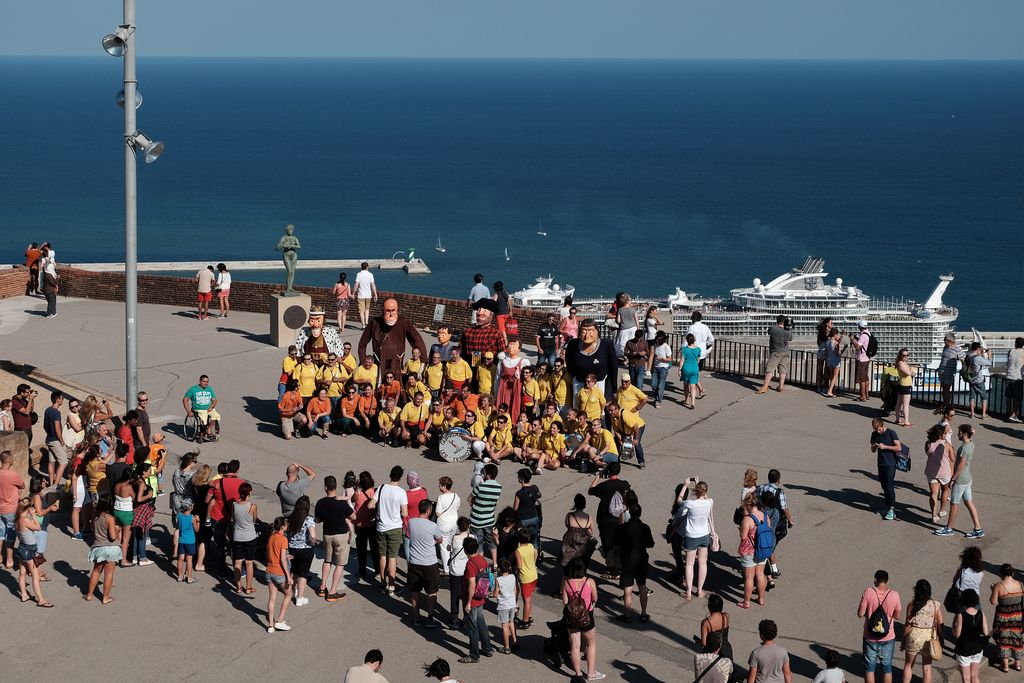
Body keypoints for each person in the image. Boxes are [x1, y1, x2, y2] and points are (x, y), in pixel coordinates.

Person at [358, 298, 428, 383]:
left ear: (397, 310)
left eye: (393, 311)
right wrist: (363, 362)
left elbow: (417, 340)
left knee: (396, 385)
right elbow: (362, 344)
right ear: (383, 310)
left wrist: (422, 362)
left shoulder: (403, 322)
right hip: (379, 362)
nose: (391, 314)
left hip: (396, 363)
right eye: (388, 311)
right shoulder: (375, 322)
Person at [935, 424, 983, 538]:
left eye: (960, 432)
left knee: (954, 504)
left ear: (965, 434)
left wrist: (953, 479)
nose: (958, 434)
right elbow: (971, 433)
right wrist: (971, 431)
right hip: (968, 478)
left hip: (960, 480)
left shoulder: (965, 448)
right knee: (968, 502)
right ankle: (978, 528)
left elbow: (960, 466)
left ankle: (949, 528)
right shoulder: (971, 443)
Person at [562, 557, 605, 680]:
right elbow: (595, 598)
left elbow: (565, 602)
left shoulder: (567, 582)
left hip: (571, 617)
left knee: (575, 646)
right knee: (591, 644)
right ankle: (591, 673)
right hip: (587, 616)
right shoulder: (590, 581)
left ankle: (578, 674)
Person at [858, 569, 902, 683]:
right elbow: (897, 616)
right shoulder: (894, 595)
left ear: (875, 580)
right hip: (888, 636)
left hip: (870, 636)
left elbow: (860, 614)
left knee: (869, 668)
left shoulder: (868, 592)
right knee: (887, 668)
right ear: (887, 581)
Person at [369, 465, 408, 595]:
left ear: (390, 475)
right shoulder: (401, 492)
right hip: (395, 527)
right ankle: (391, 586)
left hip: (381, 527)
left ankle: (382, 581)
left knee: (382, 555)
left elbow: (370, 505)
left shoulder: (381, 488)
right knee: (392, 557)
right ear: (400, 477)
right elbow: (405, 513)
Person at [588, 462, 629, 580]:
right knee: (619, 544)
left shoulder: (604, 486)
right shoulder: (625, 485)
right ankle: (618, 566)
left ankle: (614, 571)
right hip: (620, 519)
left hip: (606, 520)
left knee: (608, 546)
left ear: (608, 472)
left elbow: (591, 490)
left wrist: (598, 476)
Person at [674, 479, 715, 600]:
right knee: (702, 563)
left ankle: (688, 592)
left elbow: (679, 500)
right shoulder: (709, 502)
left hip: (692, 536)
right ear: (705, 491)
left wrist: (686, 485)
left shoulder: (690, 503)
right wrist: (699, 483)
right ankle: (700, 591)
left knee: (689, 565)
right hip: (704, 535)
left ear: (695, 492)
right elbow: (706, 496)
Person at [614, 503, 654, 623]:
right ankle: (643, 613)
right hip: (641, 559)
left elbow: (615, 542)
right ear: (640, 513)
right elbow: (650, 544)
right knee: (642, 586)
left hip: (627, 560)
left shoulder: (623, 528)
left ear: (629, 513)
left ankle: (627, 615)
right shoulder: (645, 527)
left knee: (627, 589)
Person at [459, 536, 495, 663]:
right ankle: (487, 648)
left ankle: (474, 655)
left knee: (473, 628)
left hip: (473, 600)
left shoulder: (470, 564)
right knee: (481, 624)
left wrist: (468, 602)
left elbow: (472, 585)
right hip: (481, 596)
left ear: (465, 550)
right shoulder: (482, 559)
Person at [564, 319, 619, 401]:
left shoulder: (606, 345)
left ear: (597, 331)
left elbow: (614, 367)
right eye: (584, 331)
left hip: (600, 383)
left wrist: (614, 389)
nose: (587, 335)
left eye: (590, 331)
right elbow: (569, 362)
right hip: (579, 383)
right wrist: (575, 377)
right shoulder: (573, 344)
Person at [901, 579, 942, 683]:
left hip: (914, 636)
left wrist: (903, 638)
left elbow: (907, 624)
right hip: (928, 637)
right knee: (927, 667)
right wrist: (941, 637)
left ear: (916, 591)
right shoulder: (934, 605)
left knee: (908, 665)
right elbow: (940, 622)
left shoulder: (911, 605)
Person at [15, 496, 50, 606]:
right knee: (35, 577)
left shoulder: (17, 519)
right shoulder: (25, 520)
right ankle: (41, 600)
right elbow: (38, 528)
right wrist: (34, 516)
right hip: (29, 550)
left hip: (21, 548)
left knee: (22, 574)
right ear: (28, 508)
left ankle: (24, 595)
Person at [84, 498, 121, 604]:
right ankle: (105, 597)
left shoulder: (95, 517)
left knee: (96, 571)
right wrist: (117, 530)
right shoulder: (110, 518)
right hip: (110, 548)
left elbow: (93, 530)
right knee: (109, 573)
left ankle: (89, 595)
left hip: (98, 547)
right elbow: (113, 537)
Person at [738, 492, 770, 609]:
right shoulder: (765, 516)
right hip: (763, 549)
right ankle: (760, 599)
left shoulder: (747, 520)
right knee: (760, 574)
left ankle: (746, 602)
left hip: (749, 550)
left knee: (749, 577)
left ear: (748, 504)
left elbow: (743, 536)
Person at [989, 563, 1024, 673]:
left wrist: (992, 589)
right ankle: (1017, 664)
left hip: (1003, 617)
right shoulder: (1021, 584)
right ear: (1013, 573)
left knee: (1004, 639)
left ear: (1001, 574)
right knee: (1017, 638)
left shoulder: (999, 586)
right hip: (1018, 616)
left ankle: (1005, 666)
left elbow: (993, 601)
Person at [468, 463, 501, 567]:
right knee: (491, 543)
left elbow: (469, 498)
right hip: (489, 520)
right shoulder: (499, 488)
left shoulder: (480, 486)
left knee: (479, 544)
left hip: (476, 521)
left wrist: (475, 501)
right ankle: (495, 564)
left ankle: (482, 565)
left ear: (488, 474)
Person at [952, 589, 989, 683]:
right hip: (977, 648)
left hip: (964, 649)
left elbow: (957, 634)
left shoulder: (961, 615)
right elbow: (985, 632)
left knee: (966, 678)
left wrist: (953, 624)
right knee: (975, 676)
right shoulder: (981, 613)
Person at [869, 419, 903, 521]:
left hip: (890, 463)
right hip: (881, 463)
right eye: (875, 429)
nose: (877, 431)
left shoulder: (891, 433)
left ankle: (892, 509)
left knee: (889, 485)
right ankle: (889, 507)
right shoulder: (874, 434)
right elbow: (872, 450)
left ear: (883, 425)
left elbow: (899, 447)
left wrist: (885, 447)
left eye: (879, 429)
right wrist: (874, 447)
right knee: (884, 485)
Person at [265, 516, 294, 633]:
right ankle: (280, 621)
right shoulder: (283, 539)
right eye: (286, 524)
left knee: (272, 598)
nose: (287, 525)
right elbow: (282, 560)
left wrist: (286, 556)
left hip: (269, 571)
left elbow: (270, 554)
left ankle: (270, 625)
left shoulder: (271, 537)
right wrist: (288, 576)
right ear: (282, 526)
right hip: (279, 572)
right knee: (288, 594)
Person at [0, 450, 27, 570]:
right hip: (11, 508)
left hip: (0, 508)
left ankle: (0, 557)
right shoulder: (13, 475)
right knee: (10, 535)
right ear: (10, 461)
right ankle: (10, 561)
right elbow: (22, 485)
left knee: (0, 534)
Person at [231, 483, 259, 595]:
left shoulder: (234, 505)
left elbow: (233, 519)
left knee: (237, 562)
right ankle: (248, 587)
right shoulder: (252, 506)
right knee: (249, 563)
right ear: (249, 493)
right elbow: (254, 519)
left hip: (237, 536)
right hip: (250, 536)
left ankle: (238, 587)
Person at [923, 424, 953, 525]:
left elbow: (927, 453)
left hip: (931, 471)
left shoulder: (928, 444)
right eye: (944, 433)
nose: (945, 435)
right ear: (940, 435)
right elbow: (953, 458)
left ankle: (934, 515)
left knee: (933, 493)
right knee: (945, 490)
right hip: (944, 471)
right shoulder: (947, 445)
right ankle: (942, 510)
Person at [756, 316, 793, 394]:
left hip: (776, 352)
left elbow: (768, 332)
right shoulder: (789, 329)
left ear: (777, 321)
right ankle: (781, 386)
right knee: (783, 369)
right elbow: (791, 338)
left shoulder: (773, 328)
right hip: (786, 352)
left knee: (769, 369)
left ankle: (765, 387)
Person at [352, 472, 378, 583]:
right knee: (374, 549)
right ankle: (377, 569)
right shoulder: (374, 492)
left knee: (361, 549)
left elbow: (352, 499)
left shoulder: (358, 493)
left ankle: (362, 571)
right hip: (372, 524)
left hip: (360, 525)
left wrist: (357, 487)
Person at [561, 494, 596, 572]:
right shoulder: (588, 517)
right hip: (583, 541)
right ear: (584, 504)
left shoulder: (569, 515)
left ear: (575, 503)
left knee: (569, 559)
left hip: (570, 539)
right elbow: (591, 531)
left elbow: (567, 526)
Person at [513, 526, 538, 629]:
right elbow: (534, 556)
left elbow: (519, 566)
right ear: (528, 538)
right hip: (534, 575)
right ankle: (529, 615)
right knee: (528, 598)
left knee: (526, 600)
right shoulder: (531, 546)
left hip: (525, 578)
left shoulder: (518, 551)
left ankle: (525, 621)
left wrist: (516, 570)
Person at [182, 374, 220, 442]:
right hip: (198, 409)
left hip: (208, 408)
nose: (206, 383)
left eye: (207, 382)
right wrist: (188, 411)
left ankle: (208, 429)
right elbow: (185, 400)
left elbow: (214, 400)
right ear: (200, 381)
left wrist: (212, 406)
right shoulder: (193, 389)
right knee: (204, 418)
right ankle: (202, 433)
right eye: (204, 381)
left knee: (216, 416)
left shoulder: (209, 389)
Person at [493, 558, 519, 653]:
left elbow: (495, 594)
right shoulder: (513, 577)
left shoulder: (498, 580)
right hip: (512, 604)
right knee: (511, 622)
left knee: (504, 625)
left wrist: (491, 594)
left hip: (503, 606)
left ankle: (506, 647)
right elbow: (515, 591)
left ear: (499, 569)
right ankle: (515, 641)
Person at [687, 311, 715, 397]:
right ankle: (697, 389)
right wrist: (705, 345)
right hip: (702, 353)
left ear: (693, 319)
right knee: (698, 372)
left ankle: (697, 390)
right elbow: (711, 340)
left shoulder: (691, 328)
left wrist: (682, 351)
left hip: (692, 352)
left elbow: (686, 340)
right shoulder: (705, 327)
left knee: (691, 372)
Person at [699, 594, 734, 662]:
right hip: (726, 650)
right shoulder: (726, 616)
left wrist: (698, 641)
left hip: (712, 653)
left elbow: (704, 643)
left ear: (709, 606)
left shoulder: (706, 623)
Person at [964, 342, 992, 420]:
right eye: (979, 348)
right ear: (977, 349)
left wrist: (981, 353)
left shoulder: (968, 356)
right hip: (979, 379)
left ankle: (972, 414)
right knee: (984, 397)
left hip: (970, 379)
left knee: (972, 396)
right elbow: (989, 363)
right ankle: (983, 415)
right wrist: (989, 354)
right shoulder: (978, 358)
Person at [937, 333, 966, 407]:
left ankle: (947, 405)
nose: (944, 341)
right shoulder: (945, 347)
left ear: (949, 340)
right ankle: (945, 404)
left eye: (945, 340)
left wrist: (964, 370)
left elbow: (963, 360)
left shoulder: (957, 349)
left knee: (947, 388)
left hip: (950, 372)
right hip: (942, 371)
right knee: (943, 388)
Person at [176, 502, 199, 583]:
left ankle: (180, 576)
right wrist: (197, 521)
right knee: (189, 559)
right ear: (190, 508)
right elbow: (196, 530)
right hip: (190, 541)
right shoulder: (192, 518)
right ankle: (189, 578)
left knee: (180, 558)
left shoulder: (179, 516)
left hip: (182, 540)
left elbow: (178, 526)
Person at [894, 349, 917, 427]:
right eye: (904, 355)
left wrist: (910, 370)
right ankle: (906, 421)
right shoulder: (901, 364)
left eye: (907, 355)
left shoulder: (903, 363)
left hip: (902, 384)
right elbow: (908, 373)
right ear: (900, 355)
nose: (906, 357)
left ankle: (897, 419)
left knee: (899, 403)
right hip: (905, 385)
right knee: (906, 404)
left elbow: (909, 372)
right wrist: (911, 370)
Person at [650, 331, 673, 408]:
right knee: (653, 384)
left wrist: (662, 358)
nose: (657, 341)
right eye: (657, 339)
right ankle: (657, 398)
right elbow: (652, 355)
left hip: (663, 367)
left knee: (660, 385)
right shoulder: (655, 345)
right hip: (655, 367)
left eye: (659, 339)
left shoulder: (666, 347)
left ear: (663, 339)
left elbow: (670, 359)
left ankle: (658, 401)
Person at [851, 321, 872, 402]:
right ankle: (866, 395)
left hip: (862, 359)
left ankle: (862, 396)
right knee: (866, 377)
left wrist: (852, 339)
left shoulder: (863, 335)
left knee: (861, 379)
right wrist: (857, 338)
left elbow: (857, 347)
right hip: (867, 358)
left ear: (860, 327)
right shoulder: (868, 333)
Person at [679, 333, 702, 409]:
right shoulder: (698, 349)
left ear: (687, 340)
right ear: (694, 341)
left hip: (686, 368)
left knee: (686, 385)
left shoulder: (684, 349)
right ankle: (693, 403)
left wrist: (679, 369)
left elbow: (682, 360)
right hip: (695, 368)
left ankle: (686, 400)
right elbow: (698, 360)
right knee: (693, 386)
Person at [820, 328, 843, 398]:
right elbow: (838, 354)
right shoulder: (835, 343)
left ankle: (834, 391)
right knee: (835, 376)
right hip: (835, 360)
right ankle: (830, 391)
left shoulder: (827, 342)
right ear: (835, 334)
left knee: (831, 376)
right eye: (837, 334)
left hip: (829, 360)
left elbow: (827, 352)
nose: (838, 336)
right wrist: (844, 348)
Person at [354, 261, 378, 328]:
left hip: (361, 295)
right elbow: (373, 285)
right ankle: (366, 321)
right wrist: (375, 294)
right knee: (367, 309)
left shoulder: (359, 274)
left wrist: (353, 293)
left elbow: (356, 284)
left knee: (361, 311)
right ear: (367, 267)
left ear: (361, 267)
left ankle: (363, 325)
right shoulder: (370, 274)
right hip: (368, 295)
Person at [614, 293, 638, 359]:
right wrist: (638, 328)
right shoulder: (633, 309)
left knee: (622, 343)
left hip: (624, 328)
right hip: (633, 328)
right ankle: (632, 356)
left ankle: (625, 357)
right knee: (633, 343)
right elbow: (636, 320)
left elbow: (618, 321)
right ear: (628, 301)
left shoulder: (620, 309)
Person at [1006, 337, 1024, 422]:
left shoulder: (1010, 351)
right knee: (1018, 398)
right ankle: (1013, 415)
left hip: (1009, 376)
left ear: (1015, 343)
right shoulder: (1023, 352)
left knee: (1009, 397)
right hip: (1018, 378)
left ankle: (1008, 414)